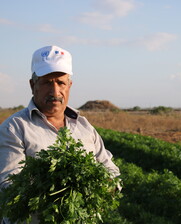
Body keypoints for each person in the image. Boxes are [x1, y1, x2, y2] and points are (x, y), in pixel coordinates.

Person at [0, 45, 120, 224]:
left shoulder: (85, 127)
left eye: (60, 82)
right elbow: (9, 183)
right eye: (47, 82)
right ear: (33, 85)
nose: (55, 92)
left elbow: (111, 170)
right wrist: (58, 192)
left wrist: (102, 188)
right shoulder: (15, 128)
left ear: (69, 85)